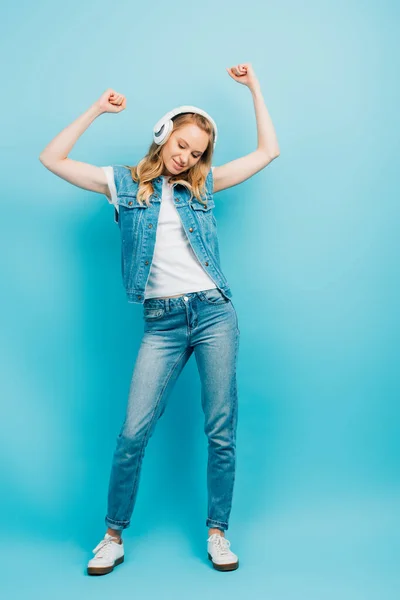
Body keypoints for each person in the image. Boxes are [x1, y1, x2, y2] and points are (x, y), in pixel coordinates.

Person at [39, 63, 280, 575]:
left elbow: (267, 152)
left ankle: (218, 532)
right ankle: (112, 535)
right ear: (162, 134)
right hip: (162, 323)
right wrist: (96, 111)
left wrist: (255, 88)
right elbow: (51, 158)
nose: (186, 156)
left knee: (221, 429)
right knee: (132, 432)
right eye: (181, 145)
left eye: (196, 152)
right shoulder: (121, 183)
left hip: (214, 314)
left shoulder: (205, 185)